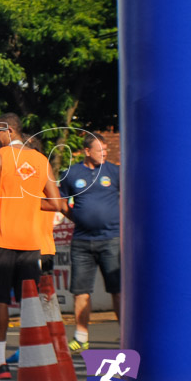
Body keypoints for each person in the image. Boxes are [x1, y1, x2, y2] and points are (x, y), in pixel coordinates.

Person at [0, 113, 63, 380]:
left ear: (9, 131)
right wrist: (30, 201)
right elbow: (57, 203)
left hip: (2, 240)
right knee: (30, 302)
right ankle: (35, 359)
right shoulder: (40, 159)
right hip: (31, 242)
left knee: (0, 299)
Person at [60, 133, 120, 354]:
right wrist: (77, 218)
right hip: (82, 242)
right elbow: (60, 201)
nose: (104, 154)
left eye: (105, 150)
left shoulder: (114, 171)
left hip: (111, 239)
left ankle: (125, 335)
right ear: (86, 151)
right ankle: (81, 337)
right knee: (81, 291)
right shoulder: (71, 173)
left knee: (118, 290)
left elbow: (128, 196)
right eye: (99, 150)